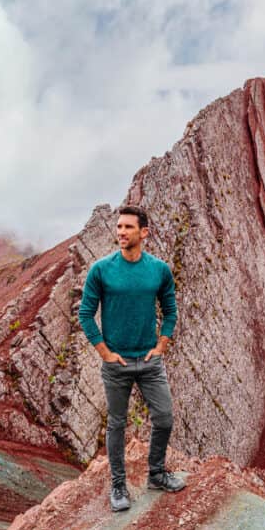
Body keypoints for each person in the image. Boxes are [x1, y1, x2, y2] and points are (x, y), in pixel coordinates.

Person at [78, 204, 185, 512]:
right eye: (119, 227)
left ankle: (156, 474)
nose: (121, 232)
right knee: (117, 424)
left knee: (164, 418)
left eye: (128, 227)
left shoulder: (159, 270)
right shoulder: (101, 270)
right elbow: (85, 314)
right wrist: (105, 352)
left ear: (144, 232)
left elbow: (170, 311)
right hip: (117, 365)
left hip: (150, 362)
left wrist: (162, 344)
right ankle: (118, 486)